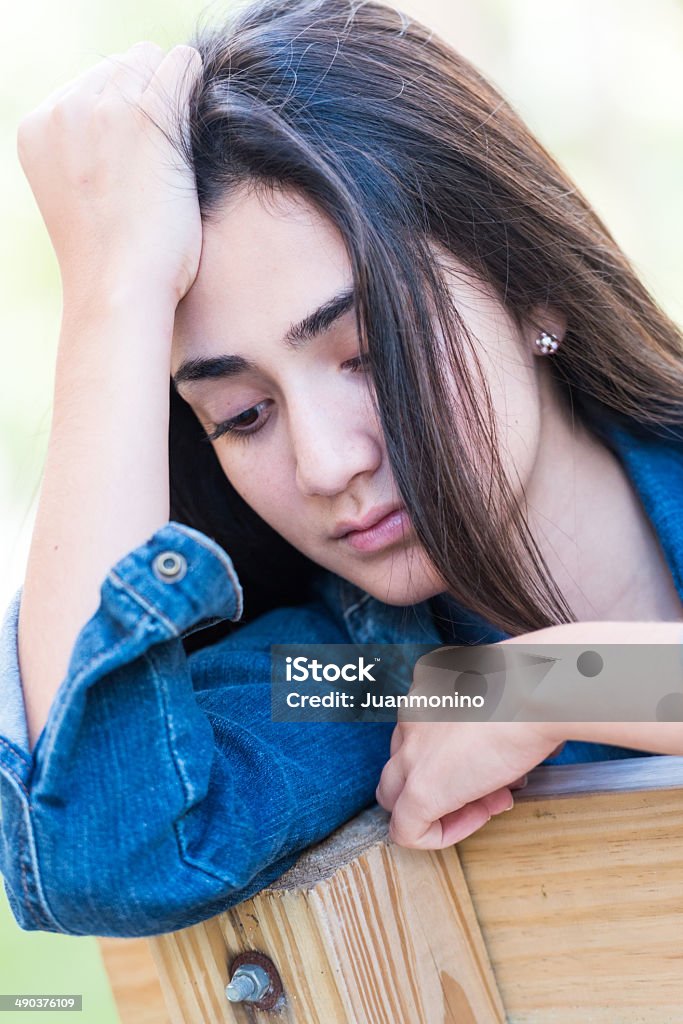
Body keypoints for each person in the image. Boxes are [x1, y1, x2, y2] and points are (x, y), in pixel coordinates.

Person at [1, 0, 681, 938]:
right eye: (240, 415)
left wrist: (567, 680)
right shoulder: (377, 678)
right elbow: (113, 847)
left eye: (366, 352)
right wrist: (112, 299)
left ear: (532, 288)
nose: (326, 464)